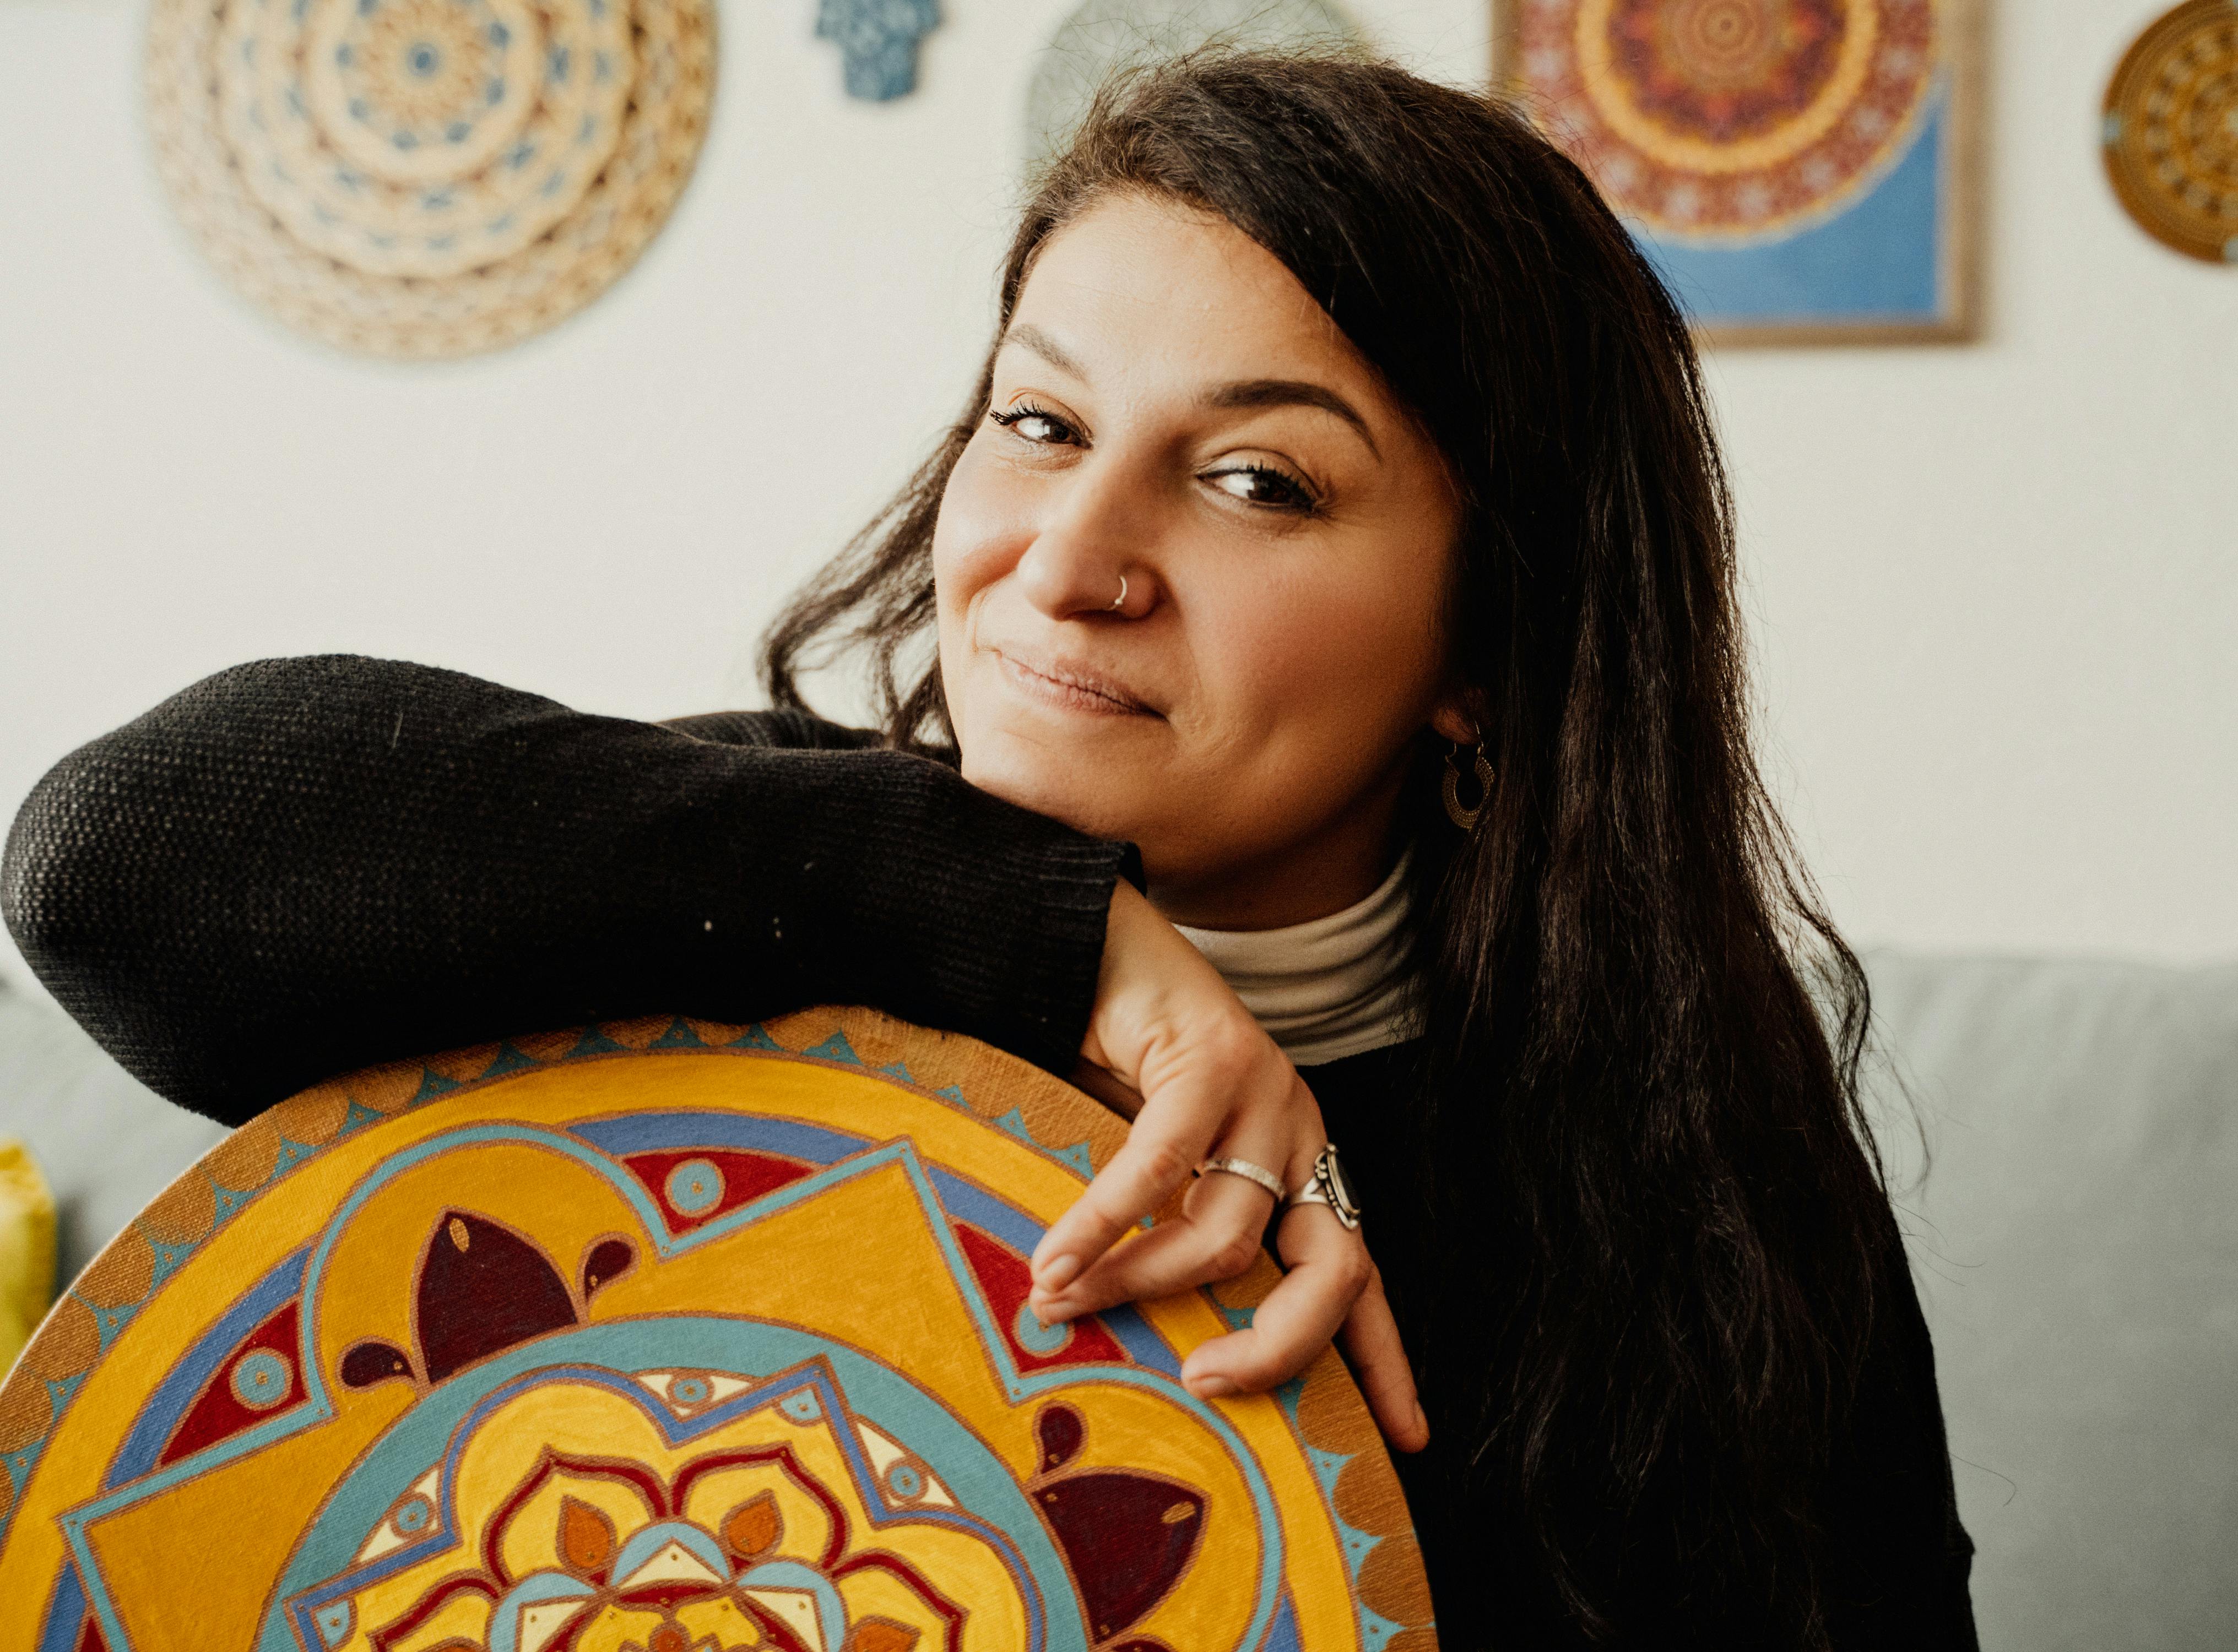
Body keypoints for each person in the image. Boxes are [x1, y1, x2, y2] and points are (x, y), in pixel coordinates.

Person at [2, 51, 1976, 1649]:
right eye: (1039, 423)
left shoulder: (1686, 1122)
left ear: (1490, 647)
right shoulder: (735, 878)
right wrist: (1069, 945)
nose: (1067, 559)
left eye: (1252, 480)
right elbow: (113, 865)